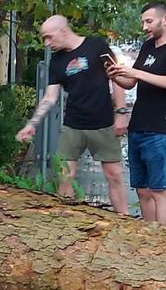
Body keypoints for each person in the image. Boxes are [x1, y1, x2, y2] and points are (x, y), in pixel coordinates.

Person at [16, 15, 129, 214]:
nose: (47, 43)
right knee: (64, 176)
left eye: (49, 37)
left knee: (114, 175)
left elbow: (117, 78)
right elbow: (50, 97)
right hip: (73, 126)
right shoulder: (57, 61)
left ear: (63, 31)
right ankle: (65, 221)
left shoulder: (96, 46)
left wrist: (121, 112)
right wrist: (32, 124)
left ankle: (125, 221)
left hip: (102, 123)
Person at [105, 1, 166, 224]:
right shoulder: (147, 47)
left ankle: (161, 240)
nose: (144, 27)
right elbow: (130, 82)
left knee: (158, 190)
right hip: (138, 127)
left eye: (149, 21)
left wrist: (137, 72)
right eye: (143, 22)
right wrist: (114, 74)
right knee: (142, 190)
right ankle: (147, 236)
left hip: (159, 129)